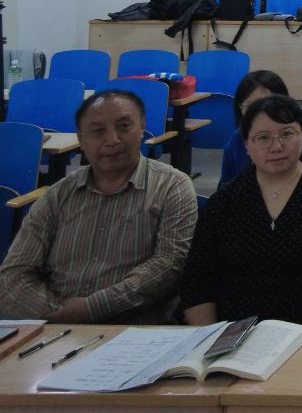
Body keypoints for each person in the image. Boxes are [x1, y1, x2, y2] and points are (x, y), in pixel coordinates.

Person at [0, 91, 197, 324]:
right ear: (81, 139)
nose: (112, 140)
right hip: (53, 328)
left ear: (142, 127)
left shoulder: (172, 186)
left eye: (124, 127)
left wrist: (92, 308)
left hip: (135, 330)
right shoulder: (58, 195)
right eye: (97, 131)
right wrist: (58, 313)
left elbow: (169, 264)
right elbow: (13, 275)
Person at [181, 95, 302, 326]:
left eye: (287, 134)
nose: (276, 147)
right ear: (246, 145)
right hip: (233, 333)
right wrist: (210, 336)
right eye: (263, 138)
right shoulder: (224, 203)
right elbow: (197, 281)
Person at [221, 71, 302, 187]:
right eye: (251, 107)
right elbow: (226, 186)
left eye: (269, 105)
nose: (260, 114)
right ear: (240, 108)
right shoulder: (237, 140)